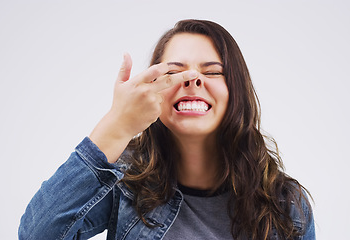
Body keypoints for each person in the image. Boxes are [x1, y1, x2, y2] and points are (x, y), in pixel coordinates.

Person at [19, 19, 315, 240]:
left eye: (212, 71)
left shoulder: (285, 203)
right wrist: (116, 125)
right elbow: (36, 235)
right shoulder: (126, 183)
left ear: (237, 91)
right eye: (174, 72)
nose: (193, 79)